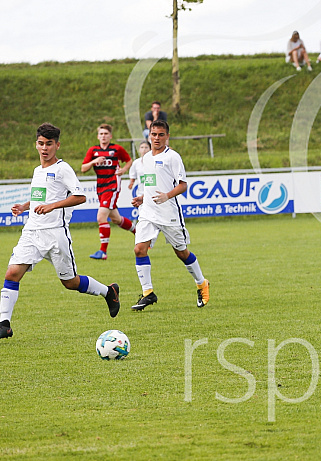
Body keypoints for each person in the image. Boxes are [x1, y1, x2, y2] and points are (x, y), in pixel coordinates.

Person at [0, 123, 120, 339]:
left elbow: (80, 196)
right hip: (32, 232)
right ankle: (4, 324)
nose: (44, 148)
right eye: (40, 143)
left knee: (70, 282)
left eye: (49, 144)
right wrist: (25, 206)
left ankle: (108, 291)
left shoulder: (63, 169)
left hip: (55, 234)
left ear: (57, 145)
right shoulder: (38, 171)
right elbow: (41, 198)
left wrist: (52, 206)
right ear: (36, 144)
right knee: (12, 274)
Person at [130, 120, 210, 310]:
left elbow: (183, 185)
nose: (157, 138)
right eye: (154, 134)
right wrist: (143, 197)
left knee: (181, 252)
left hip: (169, 214)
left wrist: (167, 195)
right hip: (148, 212)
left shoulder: (172, 157)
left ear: (167, 136)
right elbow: (152, 183)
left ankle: (201, 283)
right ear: (149, 135)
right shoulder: (145, 158)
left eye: (161, 135)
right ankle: (148, 293)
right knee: (139, 249)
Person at [81, 124, 136, 260]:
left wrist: (123, 170)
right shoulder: (93, 151)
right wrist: (94, 161)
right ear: (98, 136)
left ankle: (102, 252)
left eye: (106, 133)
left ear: (110, 136)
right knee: (116, 219)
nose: (103, 136)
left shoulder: (116, 149)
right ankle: (138, 232)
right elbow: (83, 168)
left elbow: (129, 160)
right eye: (101, 134)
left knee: (101, 217)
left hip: (113, 184)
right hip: (100, 186)